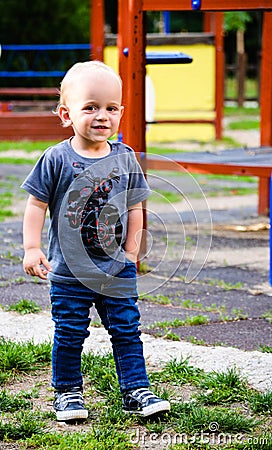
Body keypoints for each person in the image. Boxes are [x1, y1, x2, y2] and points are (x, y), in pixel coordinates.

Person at [22, 60, 170, 422]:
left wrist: (132, 250)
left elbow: (135, 207)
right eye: (90, 107)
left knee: (126, 330)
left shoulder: (126, 158)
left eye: (110, 108)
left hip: (116, 269)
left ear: (120, 111)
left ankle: (136, 390)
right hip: (70, 271)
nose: (101, 115)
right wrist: (32, 247)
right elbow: (36, 204)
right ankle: (67, 392)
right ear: (65, 113)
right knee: (71, 332)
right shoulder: (57, 158)